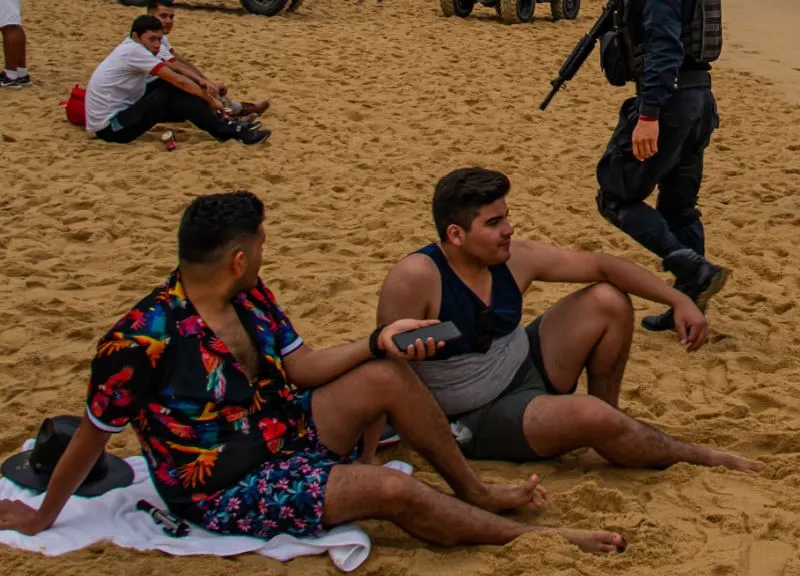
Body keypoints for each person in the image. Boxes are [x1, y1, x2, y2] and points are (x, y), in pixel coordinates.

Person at [0, 191, 627, 555]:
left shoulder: (250, 296)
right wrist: (40, 516)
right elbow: (92, 433)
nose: (266, 254)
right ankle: (539, 542)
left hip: (283, 430)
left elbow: (300, 367)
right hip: (223, 485)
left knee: (386, 375)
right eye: (263, 246)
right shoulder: (139, 340)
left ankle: (473, 489)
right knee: (390, 492)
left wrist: (376, 342)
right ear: (239, 257)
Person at [377, 168, 763, 475]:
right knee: (588, 416)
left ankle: (609, 424)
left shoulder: (514, 258)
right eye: (494, 223)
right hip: (475, 416)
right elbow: (385, 372)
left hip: (524, 366)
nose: (509, 229)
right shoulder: (416, 277)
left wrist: (678, 298)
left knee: (608, 299)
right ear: (456, 235)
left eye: (507, 217)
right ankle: (700, 457)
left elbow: (602, 265)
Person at [597, 0, 726, 332]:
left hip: (671, 103)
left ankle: (692, 270)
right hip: (699, 100)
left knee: (614, 195)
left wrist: (648, 115)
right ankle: (687, 307)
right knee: (679, 207)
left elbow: (664, 45)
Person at [84, 15, 269, 145]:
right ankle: (228, 129)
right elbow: (177, 80)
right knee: (173, 90)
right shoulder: (134, 51)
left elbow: (175, 68)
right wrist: (209, 100)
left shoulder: (135, 46)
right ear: (136, 36)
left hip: (119, 116)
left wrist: (202, 82)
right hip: (112, 128)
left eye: (159, 39)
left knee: (176, 90)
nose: (156, 45)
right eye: (152, 39)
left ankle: (227, 124)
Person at [147, 0, 269, 120]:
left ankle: (233, 110)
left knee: (194, 84)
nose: (168, 21)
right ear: (150, 16)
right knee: (187, 87)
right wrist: (207, 86)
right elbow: (178, 68)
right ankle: (229, 117)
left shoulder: (157, 36)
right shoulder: (150, 41)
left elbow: (180, 59)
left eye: (171, 17)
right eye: (163, 16)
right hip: (144, 96)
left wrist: (207, 82)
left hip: (153, 87)